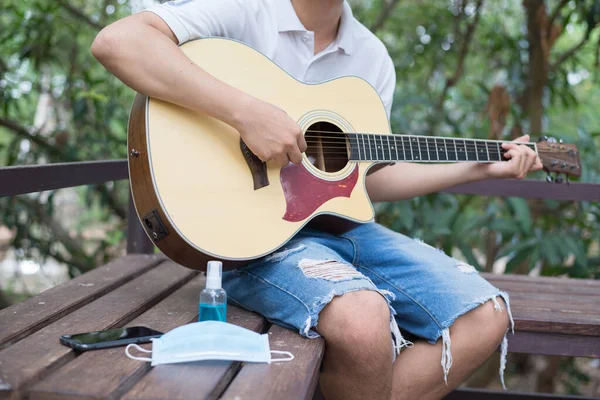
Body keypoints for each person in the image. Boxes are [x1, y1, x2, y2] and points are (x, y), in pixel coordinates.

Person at [91, 1, 542, 398]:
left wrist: (481, 166)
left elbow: (369, 181)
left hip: (336, 230)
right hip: (244, 237)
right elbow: (118, 42)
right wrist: (247, 113)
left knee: (486, 316)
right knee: (365, 319)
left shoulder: (371, 57)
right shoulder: (244, 11)